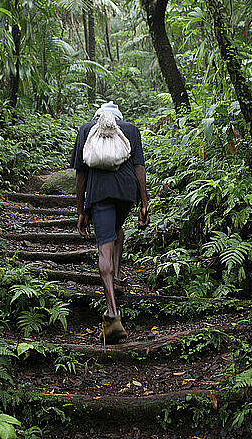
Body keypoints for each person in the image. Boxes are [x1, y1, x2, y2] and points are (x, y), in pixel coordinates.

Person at [70, 101, 149, 344]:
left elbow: (81, 174)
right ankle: (116, 277)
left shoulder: (86, 130)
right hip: (127, 192)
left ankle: (113, 314)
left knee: (104, 244)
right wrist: (144, 203)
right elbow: (139, 169)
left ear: (98, 117)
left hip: (99, 192)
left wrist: (81, 209)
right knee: (116, 230)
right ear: (118, 117)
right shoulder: (131, 129)